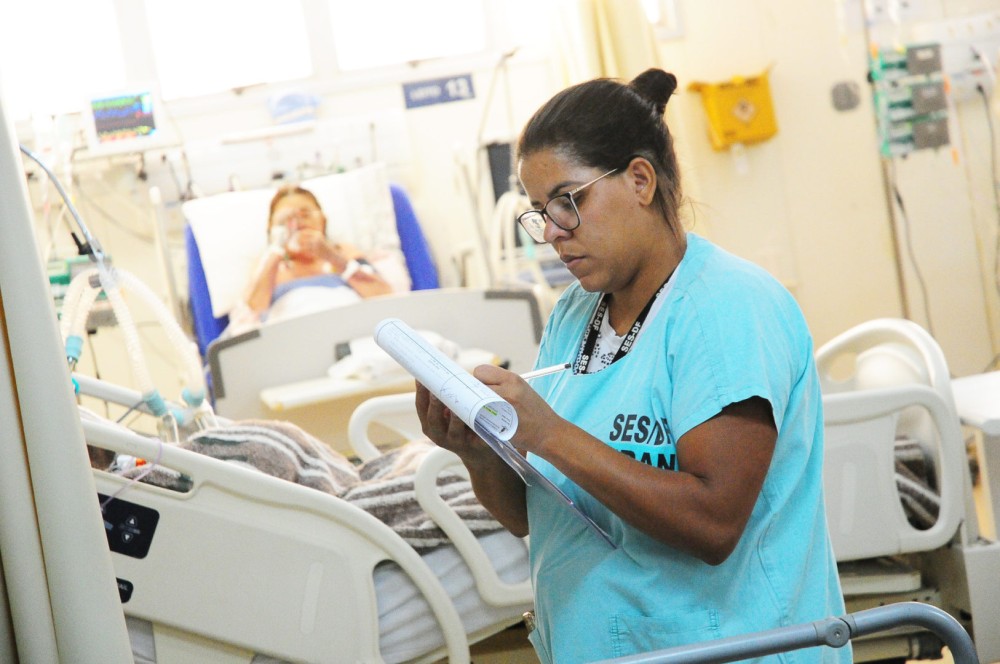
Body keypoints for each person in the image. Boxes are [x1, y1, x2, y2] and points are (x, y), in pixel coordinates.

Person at [415, 68, 848, 663]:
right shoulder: (576, 313)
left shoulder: (724, 310)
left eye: (569, 201)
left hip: (728, 647)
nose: (553, 233)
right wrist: (477, 449)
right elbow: (533, 515)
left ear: (640, 180)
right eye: (540, 212)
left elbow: (714, 524)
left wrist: (549, 432)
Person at [232, 184, 393, 330]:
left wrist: (333, 257)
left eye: (305, 214)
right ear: (272, 227)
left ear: (323, 220)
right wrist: (276, 249)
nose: (298, 223)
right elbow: (253, 311)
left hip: (352, 332)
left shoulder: (343, 252)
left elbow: (384, 295)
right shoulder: (268, 265)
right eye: (286, 219)